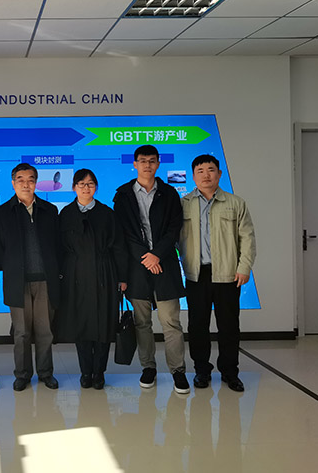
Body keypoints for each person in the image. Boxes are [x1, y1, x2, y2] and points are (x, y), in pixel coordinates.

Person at [113, 145, 189, 394]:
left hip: (165, 264)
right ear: (135, 164)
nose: (147, 164)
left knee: (171, 322)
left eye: (152, 160)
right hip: (137, 268)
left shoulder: (169, 193)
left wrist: (157, 254)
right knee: (142, 323)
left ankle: (178, 371)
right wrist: (146, 257)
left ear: (158, 163)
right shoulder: (122, 195)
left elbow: (174, 228)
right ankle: (148, 368)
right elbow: (124, 233)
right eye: (143, 160)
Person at [179, 154, 256, 392]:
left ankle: (230, 372)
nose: (206, 175)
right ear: (193, 176)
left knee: (229, 326)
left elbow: (248, 238)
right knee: (197, 326)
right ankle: (202, 370)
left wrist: (244, 268)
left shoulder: (235, 203)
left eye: (211, 169)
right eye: (200, 171)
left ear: (219, 174)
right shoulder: (183, 204)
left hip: (228, 274)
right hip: (196, 275)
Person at [55, 168, 120, 390]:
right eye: (81, 184)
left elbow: (118, 247)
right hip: (75, 275)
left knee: (104, 324)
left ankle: (99, 372)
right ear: (74, 187)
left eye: (90, 183)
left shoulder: (107, 213)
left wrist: (121, 277)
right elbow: (59, 249)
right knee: (80, 324)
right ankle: (85, 372)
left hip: (104, 273)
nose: (86, 187)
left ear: (96, 187)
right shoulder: (65, 214)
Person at [0, 163, 60, 391]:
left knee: (45, 331)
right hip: (18, 280)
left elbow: (57, 244)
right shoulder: (3, 212)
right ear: (13, 183)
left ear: (36, 182)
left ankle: (45, 373)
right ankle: (22, 374)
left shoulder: (49, 210)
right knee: (21, 332)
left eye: (30, 179)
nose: (26, 184)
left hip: (45, 279)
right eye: (21, 180)